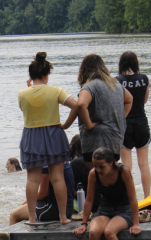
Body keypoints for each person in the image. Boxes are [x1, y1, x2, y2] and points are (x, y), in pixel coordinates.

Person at [19, 52, 95, 225]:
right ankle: (63, 217)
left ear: (30, 76)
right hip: (54, 134)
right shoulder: (55, 91)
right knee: (57, 177)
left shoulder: (22, 93)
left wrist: (28, 88)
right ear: (46, 75)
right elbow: (77, 106)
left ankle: (31, 218)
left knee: (32, 179)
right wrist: (66, 124)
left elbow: (25, 111)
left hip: (32, 136)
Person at [73, 147, 140, 240]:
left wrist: (136, 223)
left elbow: (133, 199)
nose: (98, 170)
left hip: (123, 210)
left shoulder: (124, 172)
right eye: (95, 166)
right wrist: (83, 224)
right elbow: (89, 200)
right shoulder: (93, 174)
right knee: (93, 232)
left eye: (101, 166)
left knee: (109, 232)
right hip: (104, 209)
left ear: (111, 163)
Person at [74, 54, 133, 171]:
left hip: (95, 141)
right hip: (115, 139)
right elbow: (130, 99)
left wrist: (89, 125)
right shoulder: (116, 84)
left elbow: (81, 105)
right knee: (110, 177)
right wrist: (120, 118)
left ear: (84, 70)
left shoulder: (90, 86)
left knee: (96, 177)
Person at [116, 51, 151, 198]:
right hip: (142, 122)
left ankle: (128, 198)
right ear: (136, 63)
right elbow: (144, 100)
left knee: (126, 165)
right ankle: (147, 197)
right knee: (144, 164)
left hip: (125, 124)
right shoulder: (144, 79)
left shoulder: (116, 81)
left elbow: (117, 103)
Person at [9, 162, 75, 225]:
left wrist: (30, 200)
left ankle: (7, 237)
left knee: (14, 215)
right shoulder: (64, 163)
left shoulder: (46, 166)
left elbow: (42, 194)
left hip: (52, 209)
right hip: (69, 208)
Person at [70, 135, 101, 213]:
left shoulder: (75, 163)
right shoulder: (100, 160)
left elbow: (74, 191)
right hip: (103, 205)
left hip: (89, 206)